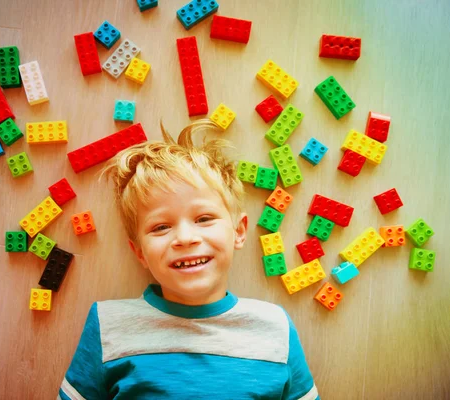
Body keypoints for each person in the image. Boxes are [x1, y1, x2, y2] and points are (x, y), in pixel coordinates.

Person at [58, 119, 318, 400]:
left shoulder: (274, 326)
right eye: (160, 227)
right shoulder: (108, 324)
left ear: (239, 231)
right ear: (140, 253)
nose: (185, 238)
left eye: (203, 219)